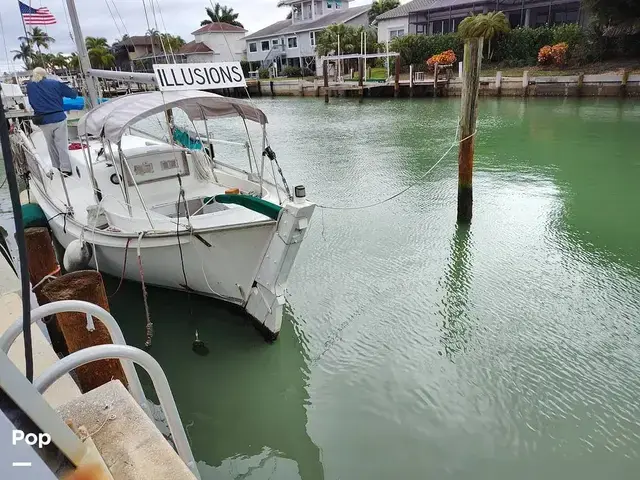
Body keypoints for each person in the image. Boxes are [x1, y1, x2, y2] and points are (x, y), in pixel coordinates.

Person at [26, 67, 78, 177]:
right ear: (45, 74)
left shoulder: (30, 86)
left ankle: (57, 166)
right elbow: (72, 94)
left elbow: (32, 101)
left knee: (50, 144)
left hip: (43, 120)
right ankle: (66, 169)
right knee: (62, 144)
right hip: (58, 118)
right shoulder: (55, 83)